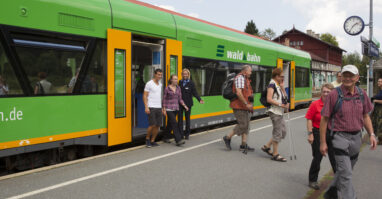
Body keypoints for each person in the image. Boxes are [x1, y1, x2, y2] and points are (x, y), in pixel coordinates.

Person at [320, 65, 377, 199]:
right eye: (345, 75)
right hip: (339, 137)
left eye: (351, 76)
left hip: (356, 138)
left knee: (344, 171)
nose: (347, 78)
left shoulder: (362, 94)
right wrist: (323, 142)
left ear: (357, 78)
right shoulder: (334, 95)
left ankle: (331, 192)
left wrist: (372, 134)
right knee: (346, 174)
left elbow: (366, 116)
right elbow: (324, 119)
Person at [305, 83, 335, 190]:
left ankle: (340, 180)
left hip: (331, 133)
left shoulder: (335, 104)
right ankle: (313, 180)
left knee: (334, 157)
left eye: (328, 92)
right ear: (321, 92)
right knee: (317, 157)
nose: (326, 94)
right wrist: (310, 134)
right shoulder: (315, 104)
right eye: (324, 91)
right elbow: (309, 119)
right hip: (317, 132)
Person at [223, 65, 254, 153]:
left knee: (246, 125)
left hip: (245, 106)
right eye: (250, 71)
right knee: (243, 124)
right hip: (239, 106)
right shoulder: (240, 78)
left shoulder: (245, 79)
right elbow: (239, 93)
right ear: (245, 71)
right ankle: (227, 137)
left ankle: (243, 145)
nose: (251, 73)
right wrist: (246, 103)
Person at [261, 68, 289, 162]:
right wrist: (281, 105)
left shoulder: (278, 85)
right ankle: (275, 154)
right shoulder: (271, 85)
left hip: (279, 111)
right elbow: (269, 99)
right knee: (277, 132)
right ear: (276, 76)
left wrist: (282, 88)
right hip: (274, 111)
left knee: (283, 132)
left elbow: (285, 98)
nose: (283, 78)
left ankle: (267, 146)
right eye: (281, 76)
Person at [162, 74, 189, 146]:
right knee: (174, 123)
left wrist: (185, 106)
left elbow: (180, 99)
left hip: (176, 108)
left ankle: (165, 137)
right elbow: (164, 99)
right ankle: (178, 140)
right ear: (171, 80)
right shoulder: (167, 88)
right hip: (169, 108)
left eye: (176, 79)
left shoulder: (178, 88)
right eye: (174, 79)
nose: (176, 80)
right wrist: (164, 109)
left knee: (170, 124)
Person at [178, 68, 204, 140]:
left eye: (186, 74)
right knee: (180, 120)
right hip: (180, 104)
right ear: (182, 74)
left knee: (187, 119)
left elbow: (194, 92)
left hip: (188, 104)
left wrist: (199, 99)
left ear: (188, 75)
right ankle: (181, 134)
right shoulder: (179, 82)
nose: (185, 75)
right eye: (183, 74)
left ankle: (187, 134)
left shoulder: (191, 83)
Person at [143, 69, 163, 148]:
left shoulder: (160, 84)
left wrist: (162, 107)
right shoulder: (149, 83)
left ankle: (153, 140)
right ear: (155, 74)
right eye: (158, 74)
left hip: (159, 107)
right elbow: (144, 95)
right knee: (152, 124)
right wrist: (146, 107)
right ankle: (147, 139)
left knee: (158, 125)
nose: (160, 76)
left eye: (161, 75)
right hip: (151, 107)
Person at [371, 77, 382, 144]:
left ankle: (380, 139)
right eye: (378, 81)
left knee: (380, 124)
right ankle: (380, 139)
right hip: (377, 109)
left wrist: (375, 100)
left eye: (380, 81)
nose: (378, 82)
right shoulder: (380, 90)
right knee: (377, 123)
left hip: (381, 110)